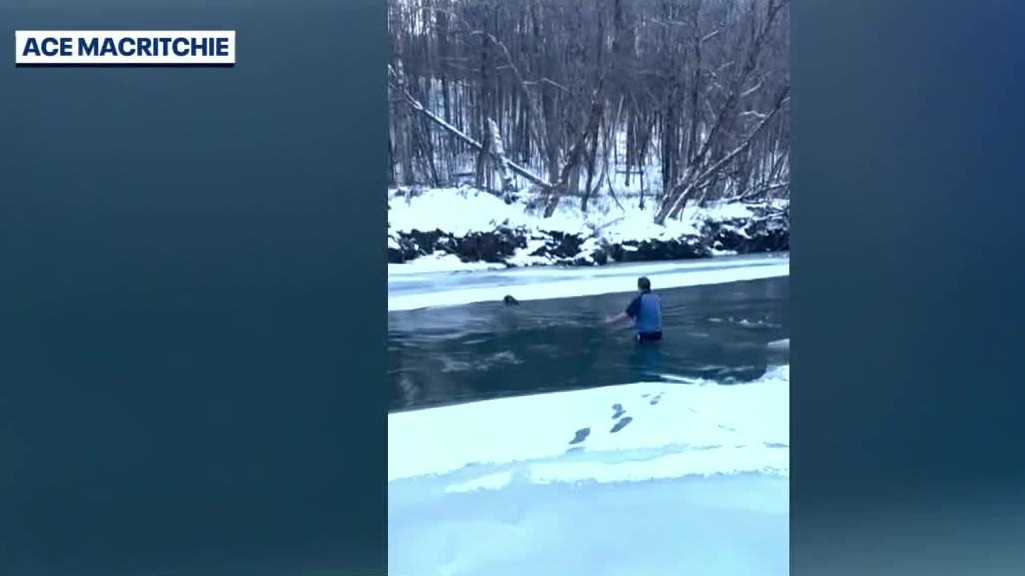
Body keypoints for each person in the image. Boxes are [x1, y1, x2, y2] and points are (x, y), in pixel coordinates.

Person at [605, 276, 663, 342]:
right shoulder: (657, 298)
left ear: (639, 288)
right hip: (658, 334)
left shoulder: (639, 300)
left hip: (645, 335)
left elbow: (625, 315)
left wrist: (611, 320)